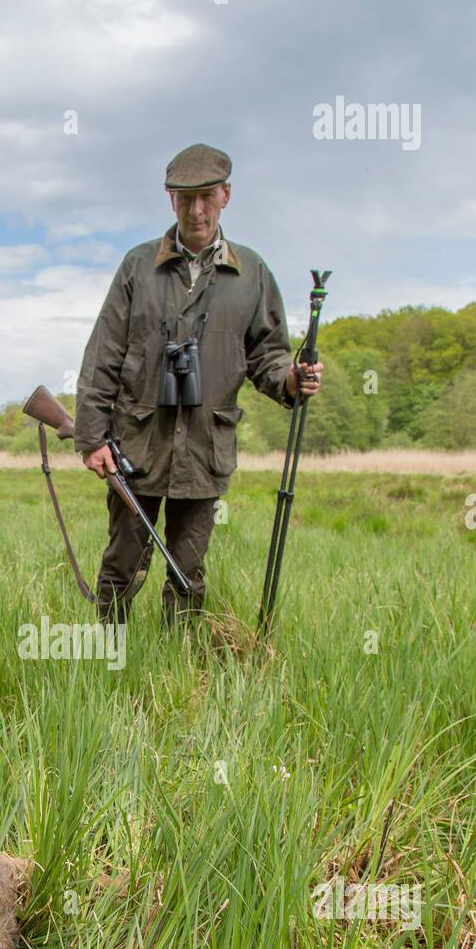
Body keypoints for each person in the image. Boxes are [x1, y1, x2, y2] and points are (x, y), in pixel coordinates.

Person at [73, 142, 324, 624]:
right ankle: (106, 664)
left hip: (206, 448)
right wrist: (90, 438)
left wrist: (292, 380)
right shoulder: (137, 266)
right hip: (135, 446)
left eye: (207, 195)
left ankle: (178, 675)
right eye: (185, 197)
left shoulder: (252, 273)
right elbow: (102, 356)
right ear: (171, 200)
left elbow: (267, 357)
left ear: (226, 195)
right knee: (121, 568)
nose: (197, 209)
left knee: (188, 574)